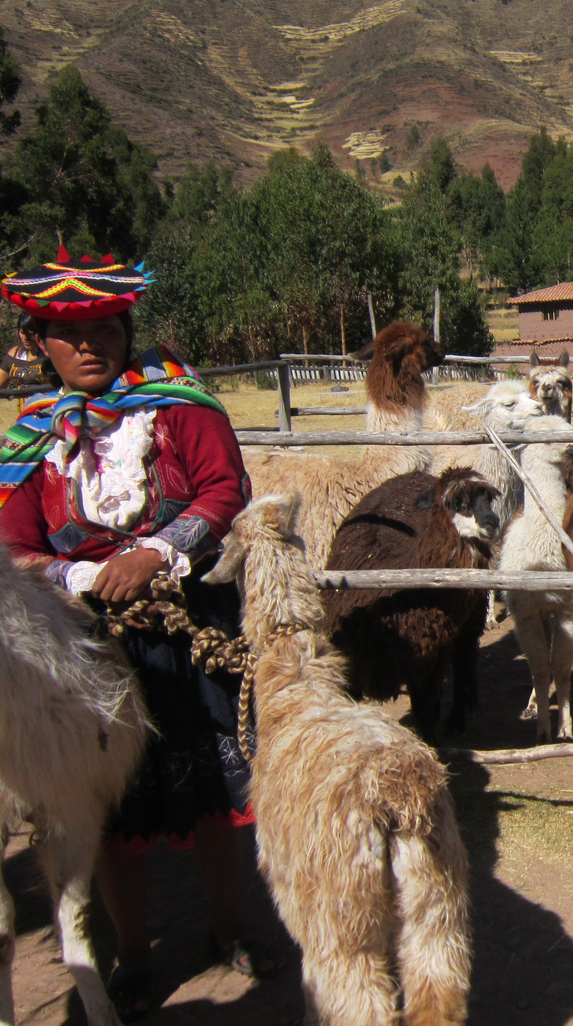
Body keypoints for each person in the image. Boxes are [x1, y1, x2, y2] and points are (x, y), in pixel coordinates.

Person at [0, 248, 280, 1021]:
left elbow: (225, 487)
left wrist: (155, 551)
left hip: (186, 621)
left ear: (127, 326)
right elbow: (16, 543)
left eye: (104, 327)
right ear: (37, 342)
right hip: (82, 645)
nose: (90, 345)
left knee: (216, 787)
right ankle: (129, 951)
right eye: (67, 333)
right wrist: (78, 580)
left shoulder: (178, 403)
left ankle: (228, 926)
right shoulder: (30, 438)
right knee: (105, 805)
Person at [0, 311, 47, 411]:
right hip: (24, 415)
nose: (25, 338)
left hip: (49, 412)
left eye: (30, 334)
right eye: (22, 333)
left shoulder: (51, 355)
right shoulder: (15, 354)